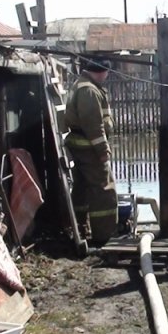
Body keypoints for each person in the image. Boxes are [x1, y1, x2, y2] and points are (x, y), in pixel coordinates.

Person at [64, 59, 118, 245]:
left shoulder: (82, 85)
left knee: (82, 189)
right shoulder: (89, 90)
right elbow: (94, 126)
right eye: (107, 73)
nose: (107, 76)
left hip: (81, 147)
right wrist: (103, 150)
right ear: (101, 72)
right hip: (89, 149)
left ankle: (79, 227)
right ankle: (104, 234)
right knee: (104, 190)